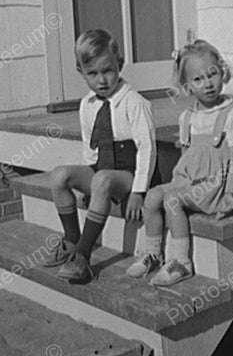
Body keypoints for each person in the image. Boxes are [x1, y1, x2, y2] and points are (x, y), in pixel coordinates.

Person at [127, 39, 233, 286]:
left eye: (212, 74)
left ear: (222, 73)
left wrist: (230, 194)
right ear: (187, 86)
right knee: (152, 197)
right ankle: (151, 253)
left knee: (173, 200)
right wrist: (179, 184)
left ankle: (182, 262)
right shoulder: (187, 118)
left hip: (219, 186)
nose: (208, 83)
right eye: (198, 79)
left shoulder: (231, 114)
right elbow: (188, 157)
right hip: (194, 182)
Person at [42, 29, 156, 283]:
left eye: (108, 70)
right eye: (92, 73)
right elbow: (89, 147)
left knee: (103, 179)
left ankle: (83, 257)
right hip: (102, 169)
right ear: (81, 73)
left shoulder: (134, 102)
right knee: (59, 175)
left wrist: (138, 191)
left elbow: (147, 148)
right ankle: (72, 239)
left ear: (120, 64)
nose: (102, 80)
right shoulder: (87, 105)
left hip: (129, 173)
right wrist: (85, 187)